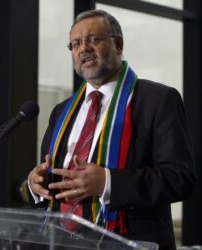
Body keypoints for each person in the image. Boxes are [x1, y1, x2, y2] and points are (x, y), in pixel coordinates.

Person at [28, 9, 196, 250]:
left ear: (118, 44)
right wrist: (38, 183)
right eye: (75, 43)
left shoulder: (158, 100)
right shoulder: (61, 112)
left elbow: (179, 178)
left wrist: (108, 183)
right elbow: (52, 176)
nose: (83, 48)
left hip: (130, 242)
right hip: (62, 242)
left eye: (93, 39)